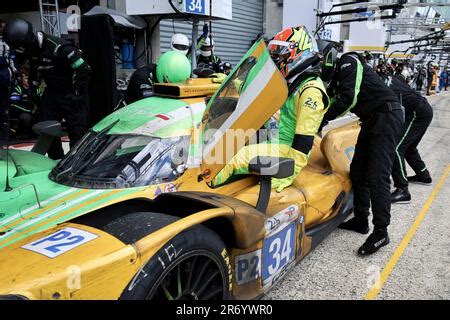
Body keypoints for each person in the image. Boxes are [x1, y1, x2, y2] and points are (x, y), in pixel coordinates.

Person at [213, 26, 329, 194]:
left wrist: (288, 174)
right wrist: (228, 82)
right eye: (273, 55)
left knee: (227, 158)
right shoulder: (289, 82)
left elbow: (303, 142)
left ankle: (198, 198)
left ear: (297, 54)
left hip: (286, 146)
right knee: (223, 141)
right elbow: (253, 87)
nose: (275, 60)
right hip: (271, 136)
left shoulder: (311, 90)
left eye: (279, 55)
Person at [319, 43, 404, 256]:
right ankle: (361, 219)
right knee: (358, 170)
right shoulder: (336, 78)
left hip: (387, 115)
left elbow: (349, 98)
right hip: (371, 119)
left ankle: (381, 232)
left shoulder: (349, 61)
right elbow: (325, 101)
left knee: (378, 175)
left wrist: (323, 119)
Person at [4, 18, 91, 159]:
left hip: (72, 91)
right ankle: (55, 160)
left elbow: (83, 68)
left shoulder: (59, 47)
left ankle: (76, 162)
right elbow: (33, 69)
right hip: (52, 92)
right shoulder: (31, 51)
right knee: (47, 127)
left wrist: (76, 92)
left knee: (76, 129)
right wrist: (33, 89)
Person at [378, 73, 434, 203]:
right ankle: (423, 175)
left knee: (396, 148)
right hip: (423, 109)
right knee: (409, 147)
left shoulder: (380, 86)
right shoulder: (388, 77)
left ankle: (402, 190)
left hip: (416, 113)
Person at [9, 66, 42, 138]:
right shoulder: (18, 89)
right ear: (22, 79)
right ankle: (22, 134)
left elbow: (42, 103)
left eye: (30, 78)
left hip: (33, 113)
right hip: (20, 113)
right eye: (26, 78)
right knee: (26, 117)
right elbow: (13, 105)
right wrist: (29, 111)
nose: (28, 80)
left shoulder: (36, 89)